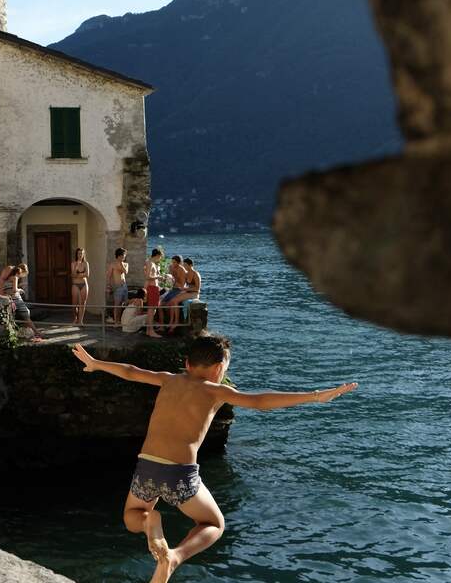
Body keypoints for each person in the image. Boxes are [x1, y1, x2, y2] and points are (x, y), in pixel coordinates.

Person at [71, 336, 357, 582]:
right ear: (220, 368)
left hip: (146, 465)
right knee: (213, 524)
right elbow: (259, 401)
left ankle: (150, 522)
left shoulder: (168, 380)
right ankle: (174, 557)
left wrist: (96, 364)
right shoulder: (216, 391)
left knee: (132, 517)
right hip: (180, 475)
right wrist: (315, 396)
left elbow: (131, 371)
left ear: (187, 363)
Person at [0, 263, 43, 342]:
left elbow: (8, 286)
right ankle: (36, 332)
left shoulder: (9, 274)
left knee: (23, 315)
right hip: (15, 298)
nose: (22, 277)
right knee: (26, 313)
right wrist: (20, 289)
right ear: (22, 272)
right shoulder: (15, 277)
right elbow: (14, 290)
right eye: (23, 275)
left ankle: (31, 332)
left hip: (8, 297)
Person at [160, 255, 187, 331]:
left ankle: (172, 322)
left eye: (174, 262)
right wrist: (165, 278)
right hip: (172, 289)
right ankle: (162, 325)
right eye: (172, 262)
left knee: (172, 303)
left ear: (179, 263)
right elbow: (167, 280)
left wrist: (173, 281)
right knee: (160, 304)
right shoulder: (171, 267)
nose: (172, 264)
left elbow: (182, 285)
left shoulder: (182, 270)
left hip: (179, 290)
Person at [143, 248, 164, 338]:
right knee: (151, 310)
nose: (160, 259)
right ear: (157, 255)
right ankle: (151, 331)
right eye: (160, 257)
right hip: (152, 288)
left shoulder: (150, 262)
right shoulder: (150, 263)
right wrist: (158, 277)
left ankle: (148, 330)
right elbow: (147, 277)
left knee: (151, 310)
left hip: (152, 288)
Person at [106, 248, 129, 326]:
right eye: (123, 255)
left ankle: (120, 320)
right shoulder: (112, 264)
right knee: (117, 305)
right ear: (119, 256)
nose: (124, 257)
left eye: (125, 255)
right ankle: (116, 321)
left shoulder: (126, 264)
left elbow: (125, 272)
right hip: (117, 286)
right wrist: (108, 286)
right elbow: (108, 276)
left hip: (124, 286)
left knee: (123, 304)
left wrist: (121, 264)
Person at [71, 248, 90, 325]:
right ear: (76, 254)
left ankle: (81, 321)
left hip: (84, 285)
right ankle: (75, 318)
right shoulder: (73, 263)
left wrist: (78, 275)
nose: (80, 255)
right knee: (74, 304)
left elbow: (87, 275)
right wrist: (77, 267)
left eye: (82, 253)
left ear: (83, 254)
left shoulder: (86, 263)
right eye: (79, 253)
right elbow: (73, 275)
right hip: (75, 285)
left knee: (83, 303)